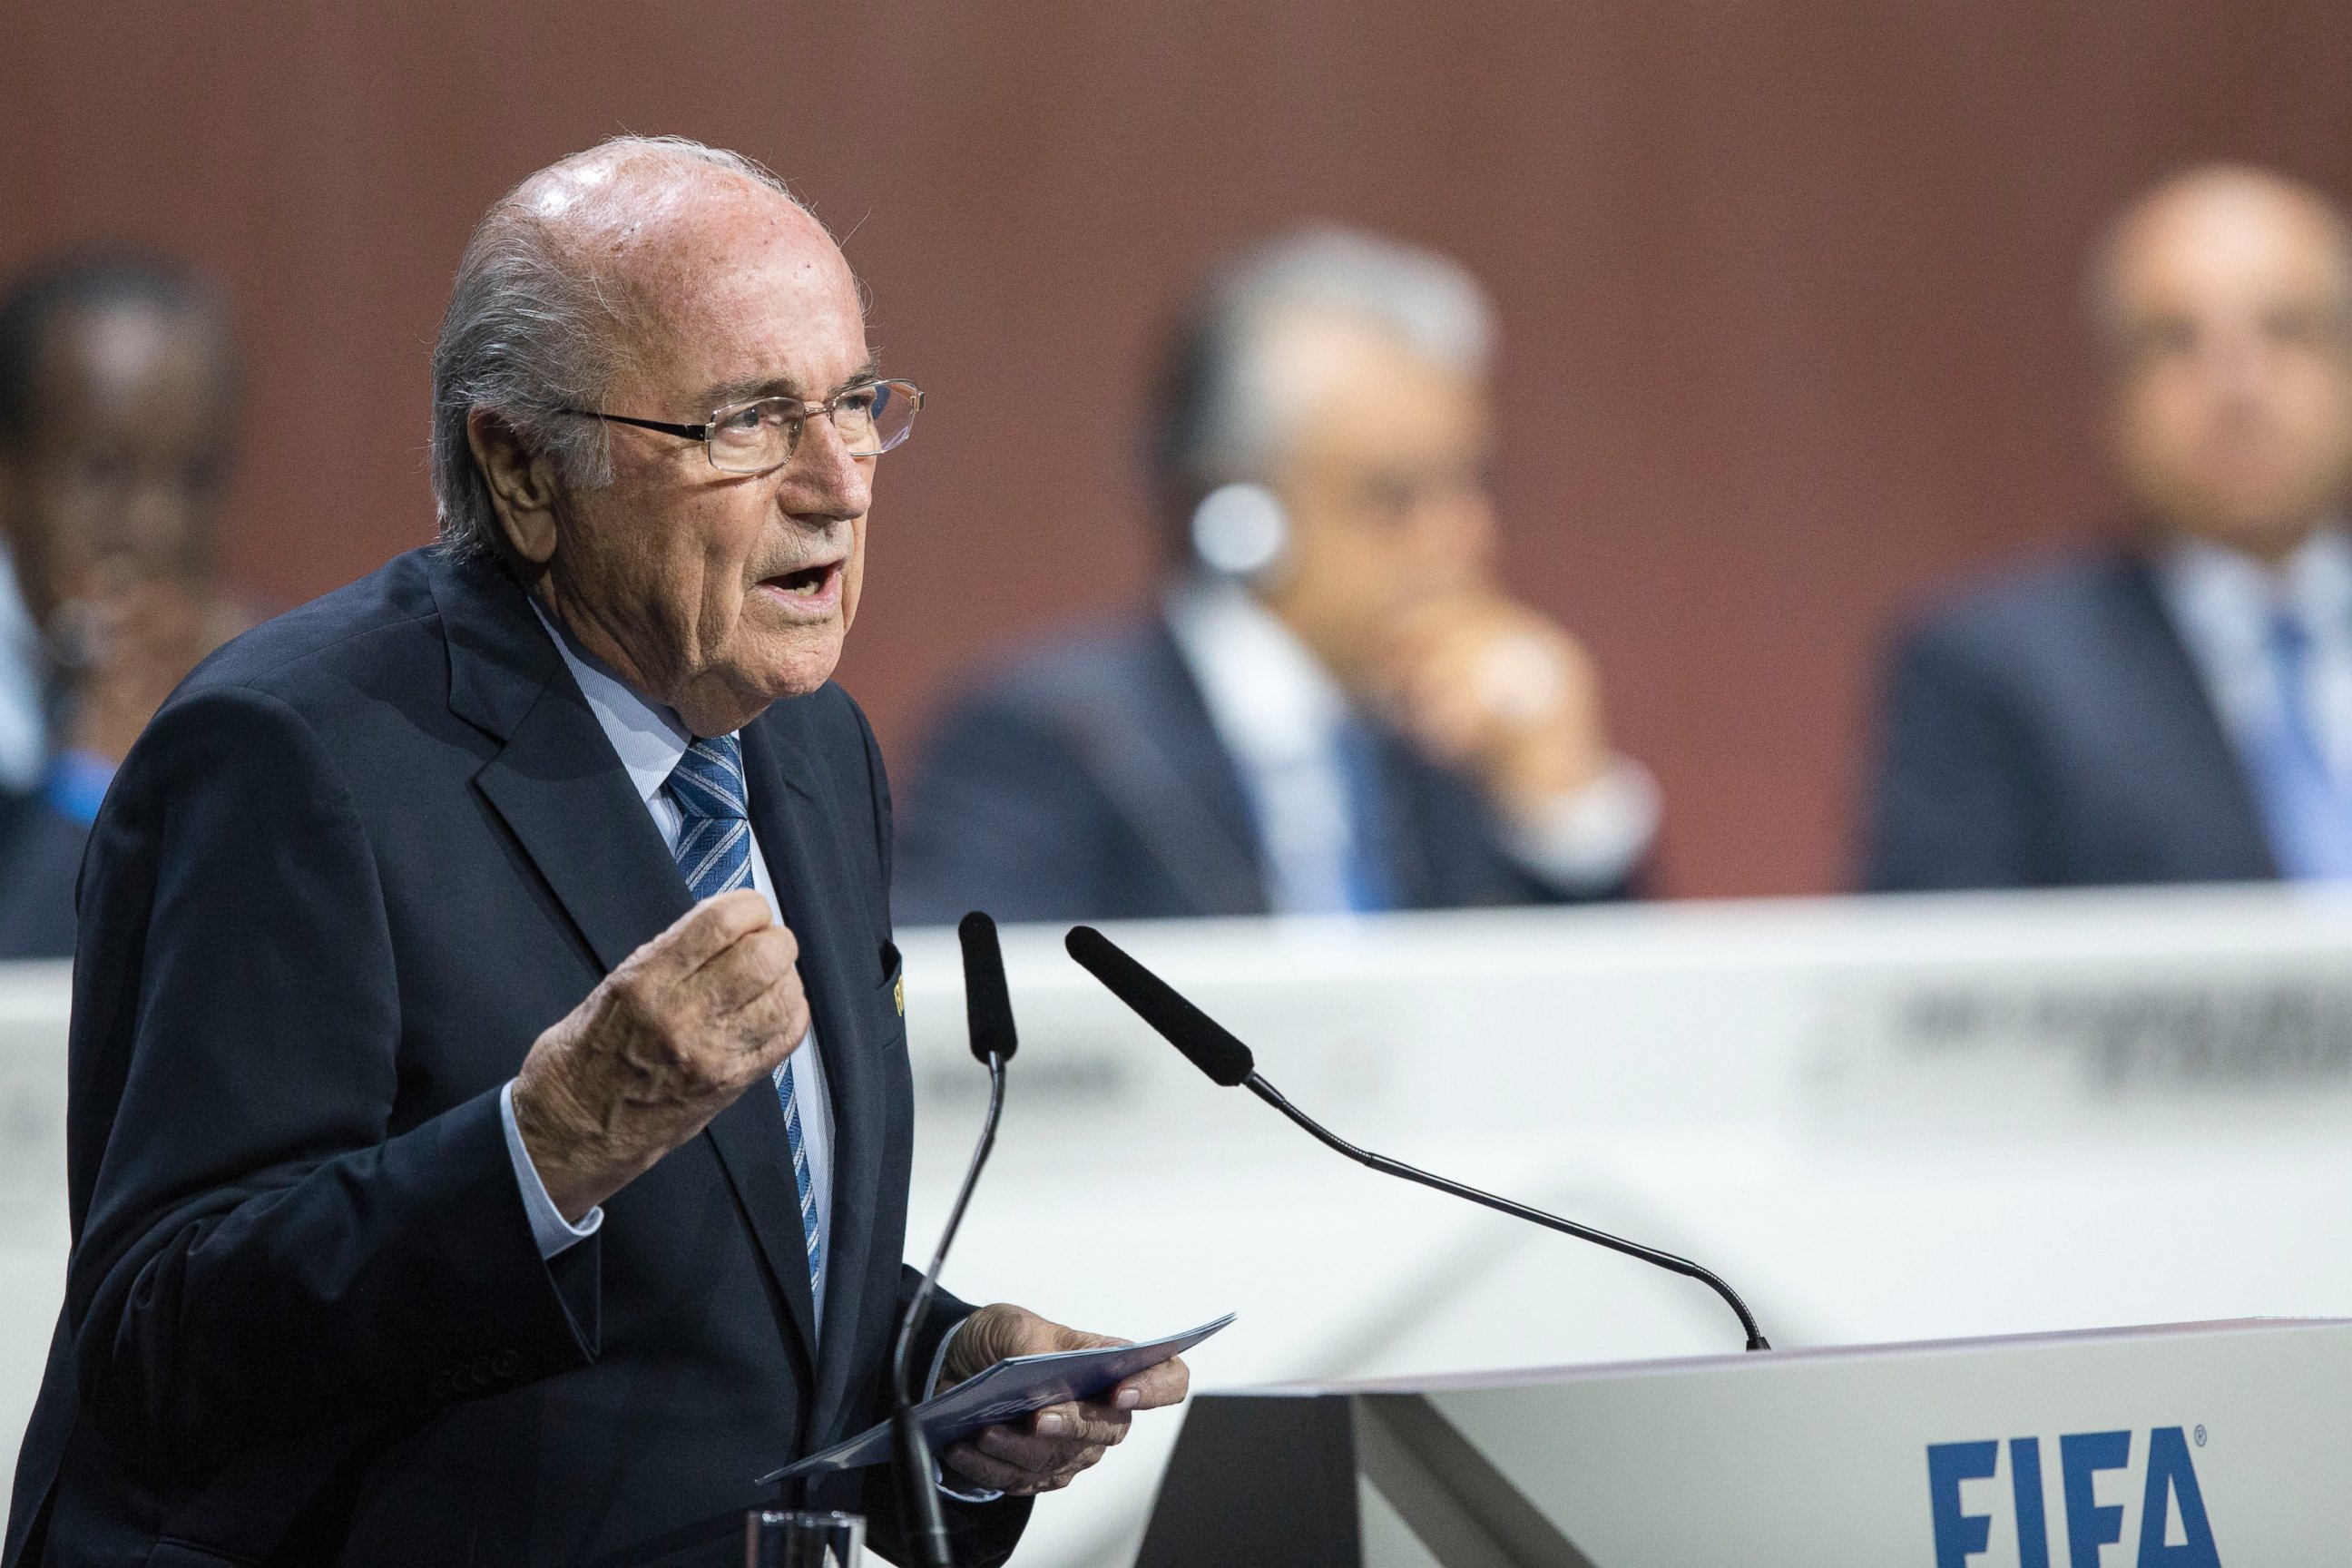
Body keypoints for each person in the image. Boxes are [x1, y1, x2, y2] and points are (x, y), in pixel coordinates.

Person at [2, 137, 1183, 1568]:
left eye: (855, 404)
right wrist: (545, 1148)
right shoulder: (291, 759)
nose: (840, 484)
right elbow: (164, 1340)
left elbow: (731, 1274)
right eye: (747, 423)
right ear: (523, 473)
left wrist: (937, 1373)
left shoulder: (811, 751)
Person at [893, 227, 1657, 925]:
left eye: (1472, 484)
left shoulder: (1457, 750)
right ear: (1238, 514)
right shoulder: (1052, 740)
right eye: (1393, 495)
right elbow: (969, 1038)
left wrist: (1562, 807)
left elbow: (1611, 1040)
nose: (1462, 536)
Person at [1864, 165, 2352, 891]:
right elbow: (1936, 984)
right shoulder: (1996, 674)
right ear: (2112, 402)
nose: (2240, 384)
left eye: (2285, 330)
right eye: (2177, 342)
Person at [0, 255, 242, 957]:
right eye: (105, 472)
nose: (158, 529)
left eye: (193, 477)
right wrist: (96, 775)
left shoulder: (259, 670)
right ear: (9, 474)